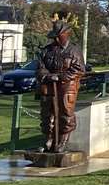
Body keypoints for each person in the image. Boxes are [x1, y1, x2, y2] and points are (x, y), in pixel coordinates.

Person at [36, 15, 85, 153]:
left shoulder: (74, 51)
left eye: (59, 36)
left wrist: (62, 77)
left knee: (65, 112)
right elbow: (40, 67)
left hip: (67, 86)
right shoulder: (47, 50)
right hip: (49, 85)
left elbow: (79, 69)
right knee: (47, 113)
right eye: (54, 37)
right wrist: (47, 76)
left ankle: (63, 141)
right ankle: (48, 140)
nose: (56, 39)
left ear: (66, 34)